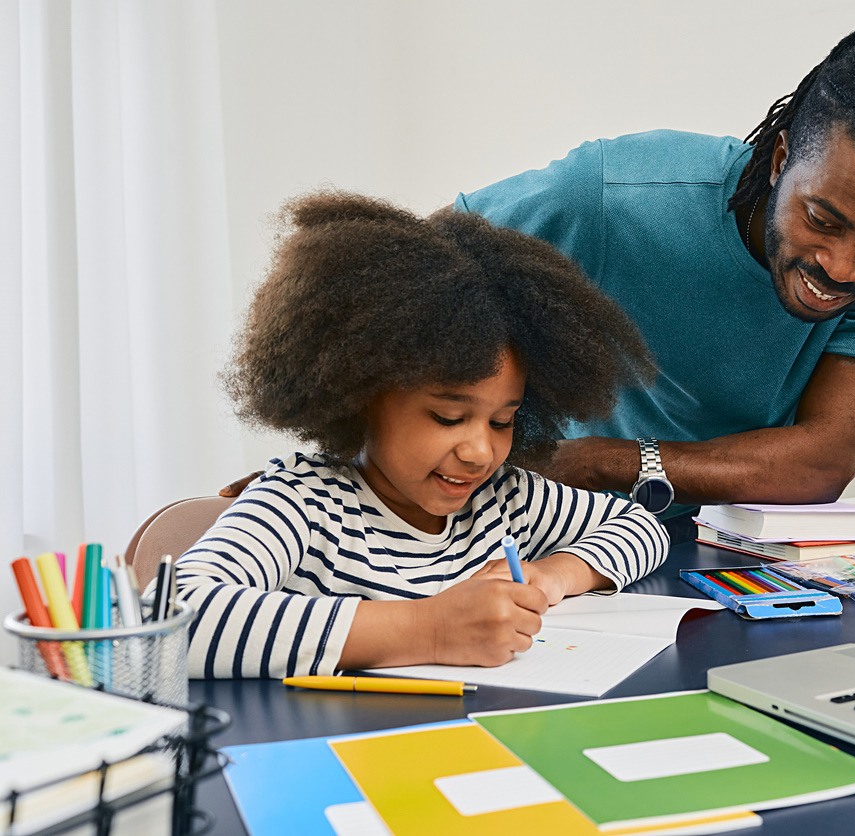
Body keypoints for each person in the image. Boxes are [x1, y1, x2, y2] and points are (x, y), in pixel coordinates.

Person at [454, 19, 855, 540]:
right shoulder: (617, 194)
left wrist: (598, 462)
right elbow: (418, 271)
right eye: (822, 220)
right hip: (534, 527)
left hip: (720, 546)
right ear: (780, 160)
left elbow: (821, 464)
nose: (842, 267)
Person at [179, 191, 666, 679]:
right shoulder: (306, 504)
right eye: (448, 418)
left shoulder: (504, 500)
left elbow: (642, 527)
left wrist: (553, 575)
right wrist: (429, 630)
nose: (480, 452)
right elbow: (175, 620)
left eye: (502, 422)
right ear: (362, 395)